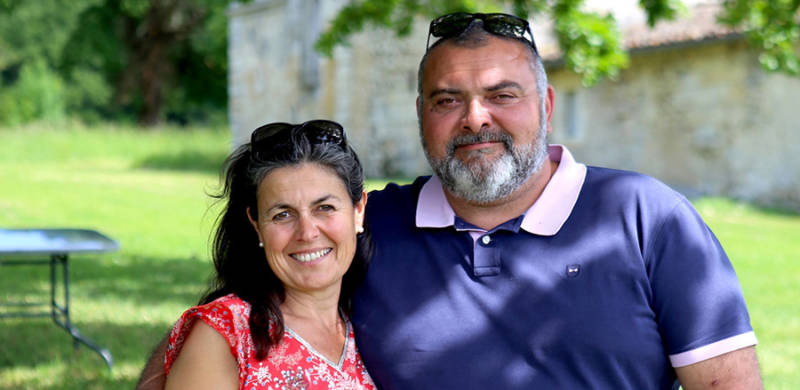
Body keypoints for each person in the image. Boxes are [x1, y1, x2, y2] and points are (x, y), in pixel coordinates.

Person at [138, 12, 762, 390]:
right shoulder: (364, 225)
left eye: (502, 94)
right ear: (421, 117)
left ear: (545, 107)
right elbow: (229, 321)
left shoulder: (647, 219)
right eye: (447, 100)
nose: (475, 119)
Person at [158, 120, 376, 389]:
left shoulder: (373, 327)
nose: (307, 232)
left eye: (325, 208)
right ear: (257, 225)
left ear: (358, 211)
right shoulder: (227, 334)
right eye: (282, 215)